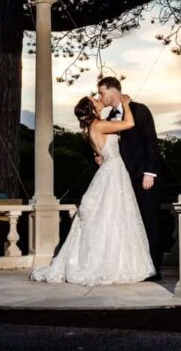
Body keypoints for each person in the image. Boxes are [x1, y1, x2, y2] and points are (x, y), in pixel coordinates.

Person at [29, 92, 155, 285]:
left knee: (110, 217)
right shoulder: (100, 125)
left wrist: (100, 156)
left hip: (108, 170)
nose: (99, 100)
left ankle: (108, 261)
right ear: (93, 109)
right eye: (96, 101)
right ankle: (110, 265)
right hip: (113, 172)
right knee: (115, 216)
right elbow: (129, 123)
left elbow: (102, 150)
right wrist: (125, 103)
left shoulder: (92, 128)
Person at [95, 76, 165, 280]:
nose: (101, 96)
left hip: (144, 176)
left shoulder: (139, 109)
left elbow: (151, 141)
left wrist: (150, 172)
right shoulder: (107, 119)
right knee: (131, 223)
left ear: (114, 90)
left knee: (149, 219)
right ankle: (137, 266)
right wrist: (101, 156)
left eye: (102, 92)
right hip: (121, 180)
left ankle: (155, 267)